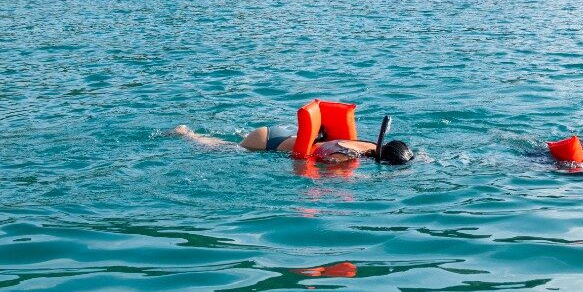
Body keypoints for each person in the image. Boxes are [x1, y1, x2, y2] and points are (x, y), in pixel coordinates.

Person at [172, 123, 415, 165]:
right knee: (221, 148)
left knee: (226, 145)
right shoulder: (346, 156)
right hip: (268, 141)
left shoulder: (371, 145)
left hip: (289, 133)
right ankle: (185, 134)